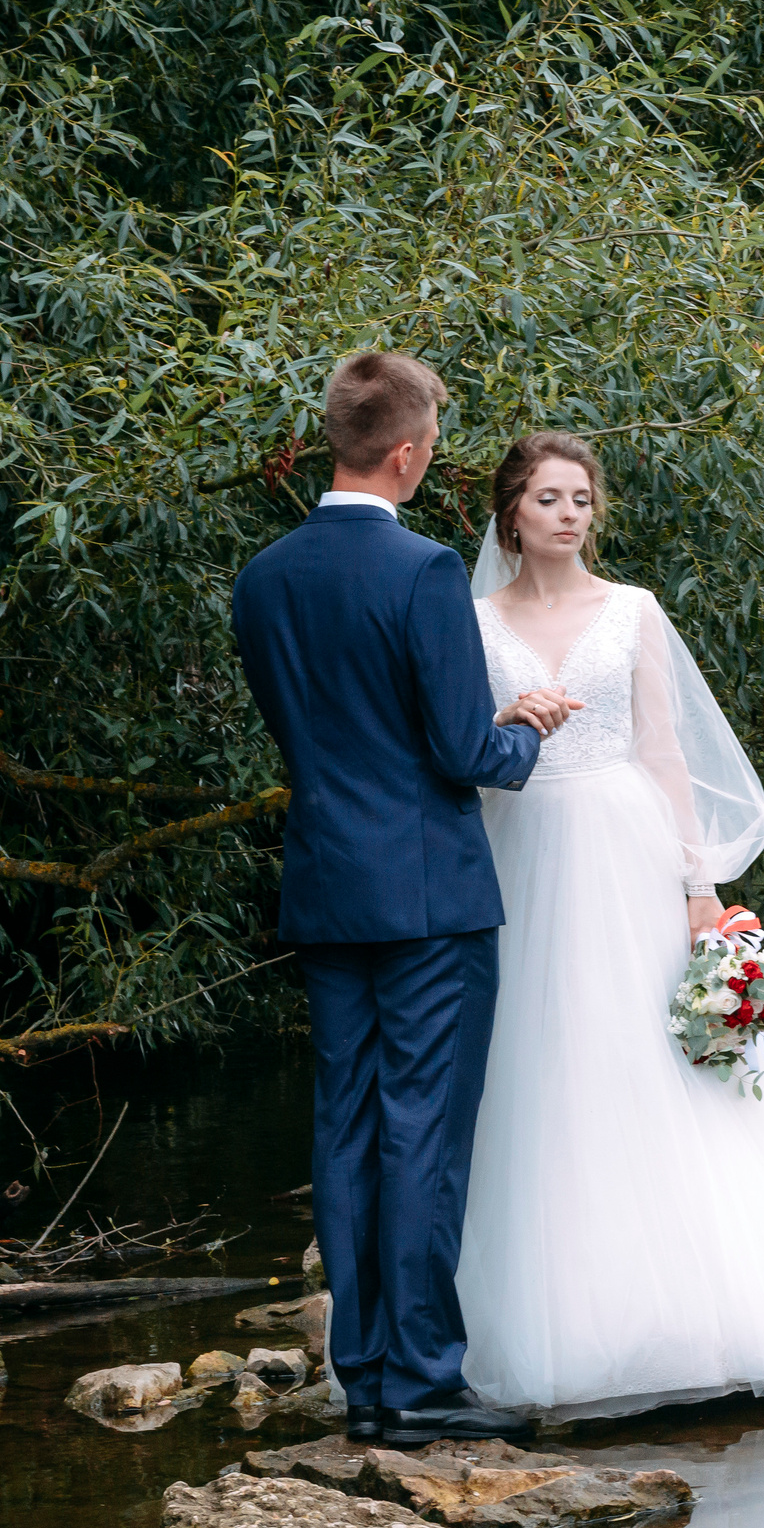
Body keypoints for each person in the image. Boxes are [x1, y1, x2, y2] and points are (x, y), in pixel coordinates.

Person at [454, 431, 764, 1419]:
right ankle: (563, 1320)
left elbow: (661, 748)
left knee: (656, 1056)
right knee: (544, 1067)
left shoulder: (634, 612)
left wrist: (696, 883)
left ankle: (722, 1311)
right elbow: (462, 748)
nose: (569, 513)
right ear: (510, 515)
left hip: (626, 851)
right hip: (523, 851)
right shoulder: (473, 620)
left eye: (581, 497)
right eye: (546, 497)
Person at [231, 354, 580, 1446]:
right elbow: (459, 748)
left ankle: (363, 1374)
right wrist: (523, 726)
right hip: (428, 896)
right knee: (423, 1133)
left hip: (328, 885)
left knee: (346, 1128)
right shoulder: (425, 571)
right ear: (408, 452)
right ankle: (422, 1381)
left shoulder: (263, 576)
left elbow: (318, 732)